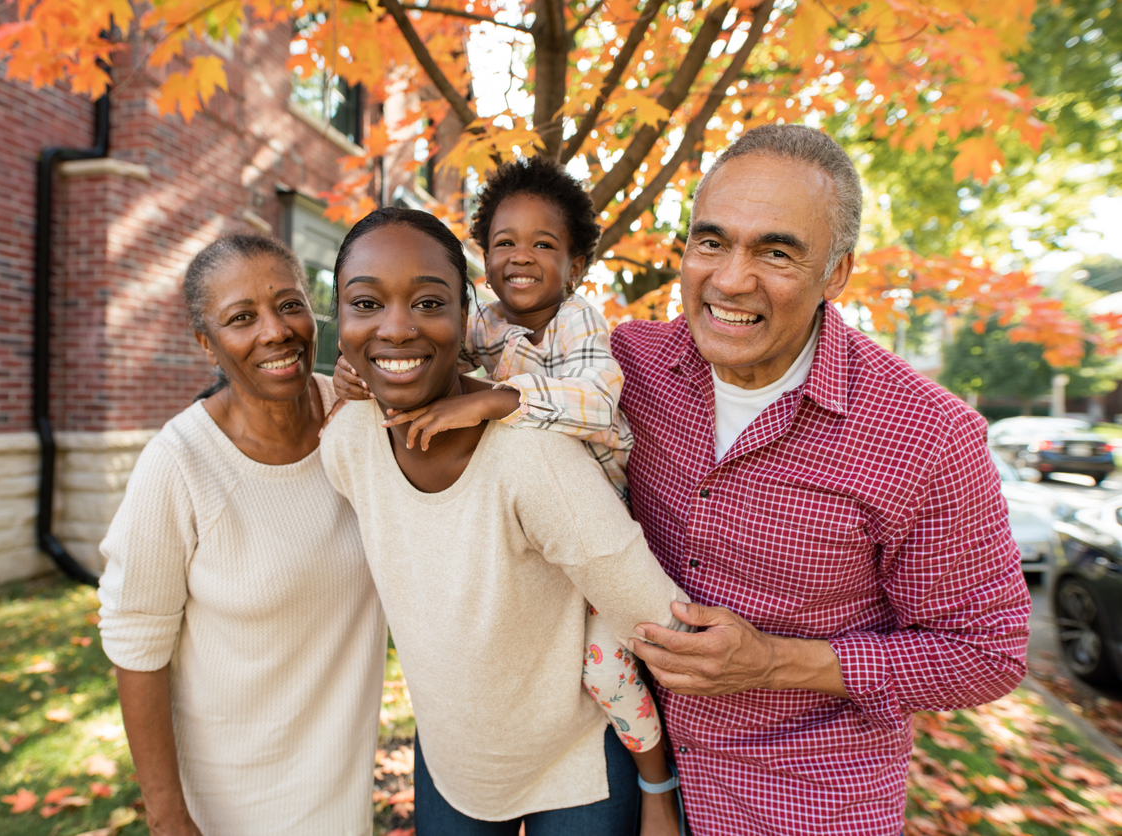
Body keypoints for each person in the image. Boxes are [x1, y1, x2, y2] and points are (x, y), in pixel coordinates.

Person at [616, 124, 1032, 835]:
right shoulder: (628, 364)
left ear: (835, 273)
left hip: (802, 803)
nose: (729, 278)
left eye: (775, 252)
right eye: (710, 241)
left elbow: (986, 652)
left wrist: (773, 662)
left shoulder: (927, 435)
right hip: (627, 779)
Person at [333, 158, 684, 835]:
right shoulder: (482, 326)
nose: (521, 257)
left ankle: (654, 778)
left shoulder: (580, 323)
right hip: (459, 760)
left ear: (576, 264)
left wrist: (496, 401)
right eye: (503, 244)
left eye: (544, 245)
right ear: (483, 265)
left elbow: (596, 399)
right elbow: (409, 344)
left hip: (596, 494)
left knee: (607, 670)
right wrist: (356, 373)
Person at [97, 234, 386, 836]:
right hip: (231, 802)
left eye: (289, 305)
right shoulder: (179, 464)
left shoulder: (360, 418)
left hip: (342, 795)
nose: (275, 331)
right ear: (207, 345)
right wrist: (167, 816)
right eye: (240, 318)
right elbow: (135, 644)